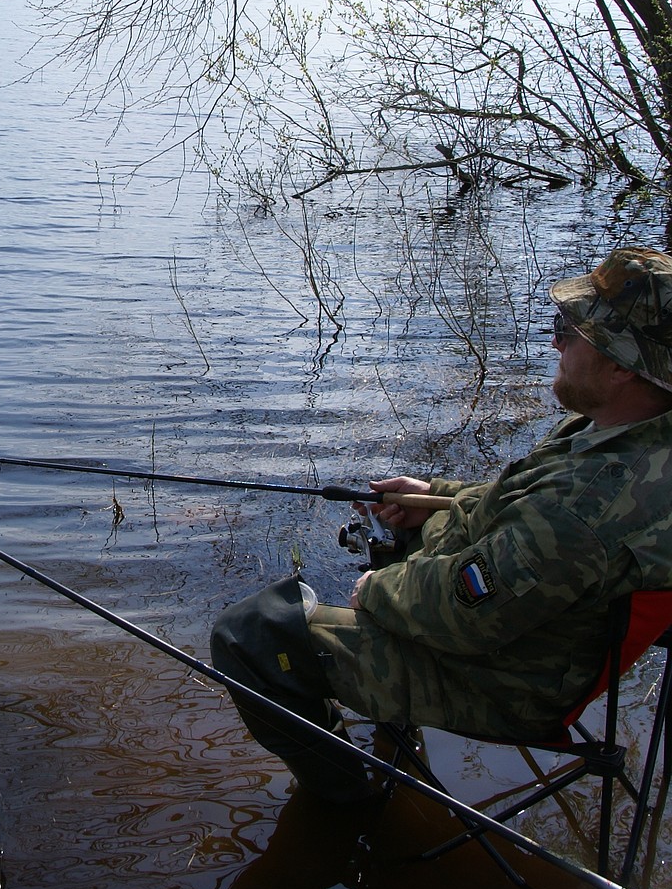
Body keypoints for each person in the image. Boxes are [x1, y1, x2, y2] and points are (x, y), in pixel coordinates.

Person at [211, 246, 672, 804]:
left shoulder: (588, 505)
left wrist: (377, 591)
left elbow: (464, 614)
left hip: (505, 682)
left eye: (569, 330)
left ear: (622, 363)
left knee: (251, 637)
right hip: (547, 633)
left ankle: (342, 806)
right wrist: (434, 497)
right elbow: (521, 507)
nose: (555, 342)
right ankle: (389, 730)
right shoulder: (633, 433)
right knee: (403, 541)